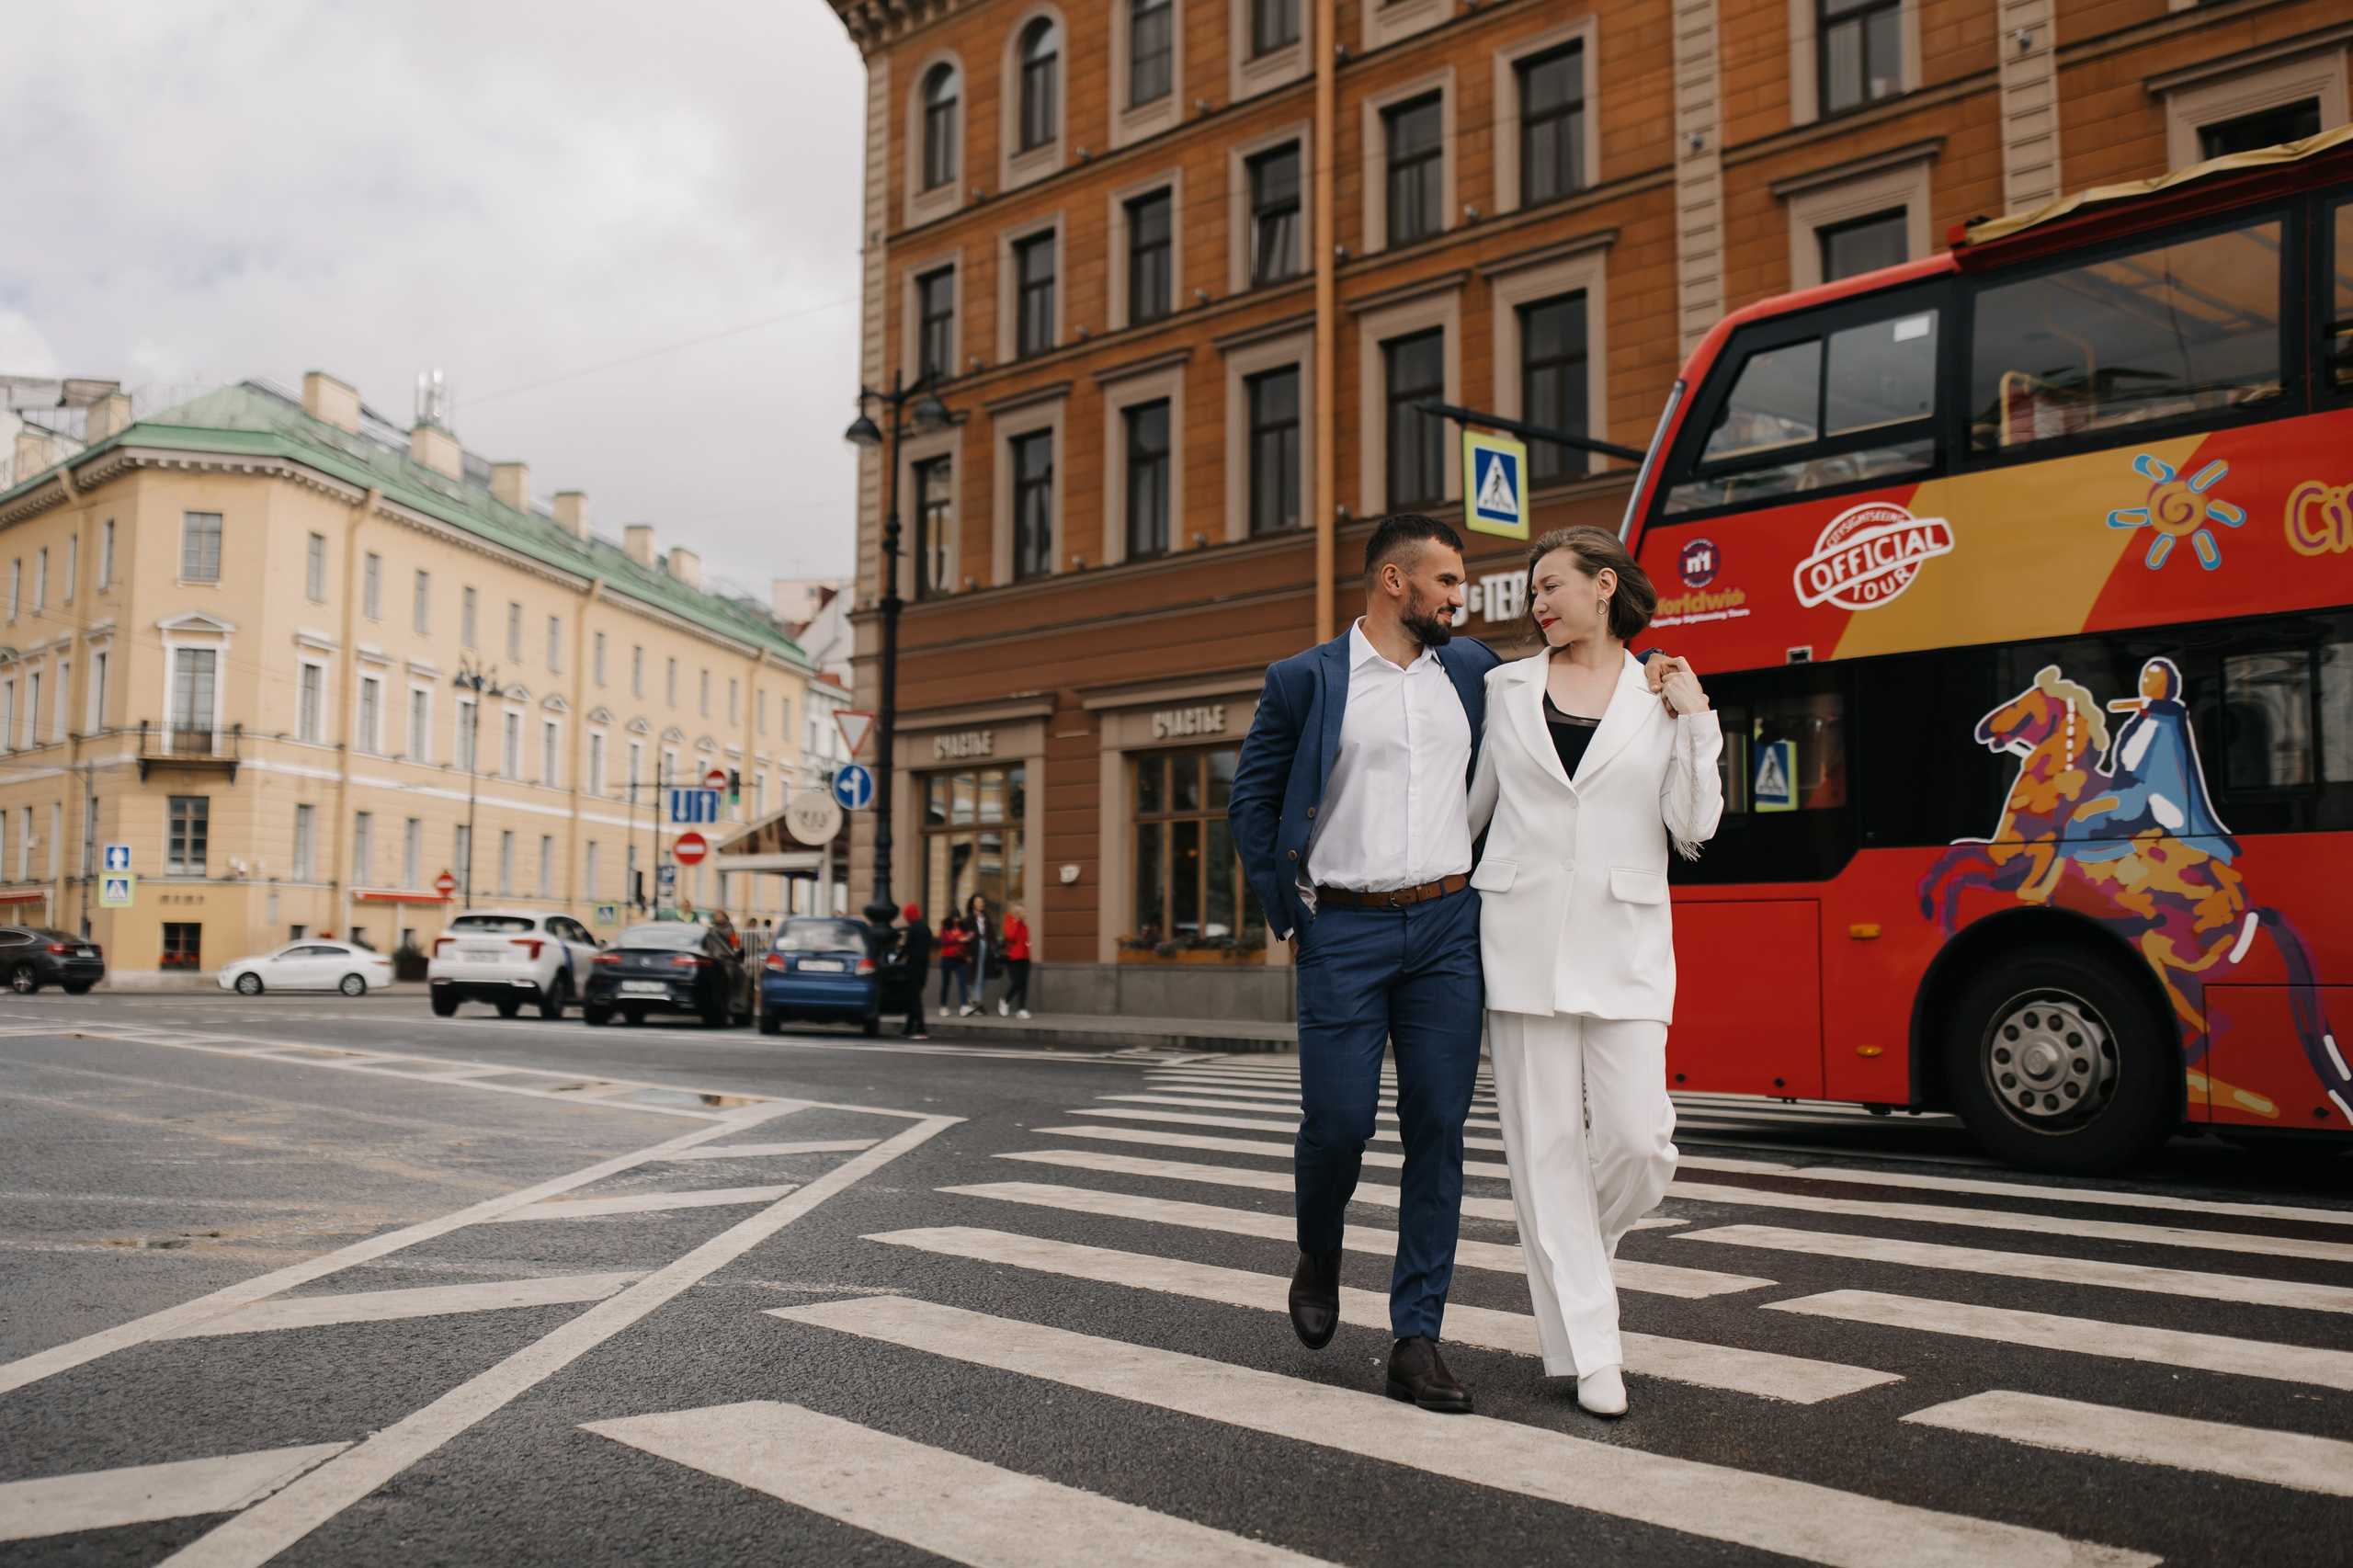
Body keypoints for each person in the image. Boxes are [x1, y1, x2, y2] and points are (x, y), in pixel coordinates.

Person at [1229, 514, 1502, 1414]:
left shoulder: (1473, 671)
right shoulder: (1305, 679)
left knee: (1438, 1129)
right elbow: (1253, 802)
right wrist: (1291, 914)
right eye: (1449, 580)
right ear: (1395, 581)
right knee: (1338, 1124)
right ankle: (1319, 1245)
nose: (1461, 596)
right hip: (1341, 930)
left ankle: (1416, 1335)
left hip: (1445, 928)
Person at [1467, 526, 1722, 1419]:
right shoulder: (1505, 688)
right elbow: (1471, 816)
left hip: (1625, 939)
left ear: (1603, 586)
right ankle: (1593, 1347)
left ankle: (1575, 1240)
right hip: (1519, 937)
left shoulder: (1660, 697)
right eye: (1532, 590)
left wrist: (1697, 719)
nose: (1538, 602)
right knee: (1543, 1155)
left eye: (1552, 585)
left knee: (1639, 1140)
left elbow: (1694, 827)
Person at [893, 903, 932, 1040]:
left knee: (915, 999)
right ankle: (909, 1028)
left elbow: (908, 949)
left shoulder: (913, 929)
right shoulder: (926, 928)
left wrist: (897, 958)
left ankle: (921, 1028)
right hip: (924, 968)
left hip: (913, 967)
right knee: (913, 998)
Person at [961, 893, 994, 1016]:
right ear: (973, 904)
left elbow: (991, 934)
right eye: (978, 902)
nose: (980, 904)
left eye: (982, 902)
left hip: (986, 947)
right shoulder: (969, 919)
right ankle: (978, 1003)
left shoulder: (986, 918)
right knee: (977, 975)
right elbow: (966, 937)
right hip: (975, 949)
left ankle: (975, 999)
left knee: (988, 976)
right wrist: (968, 954)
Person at [998, 904, 1032, 1017]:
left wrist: (1028, 955)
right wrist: (1016, 922)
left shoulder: (1024, 926)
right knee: (1017, 983)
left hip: (1025, 958)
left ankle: (1021, 1009)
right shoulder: (1009, 922)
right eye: (1023, 912)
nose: (1025, 914)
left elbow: (1026, 941)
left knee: (1023, 984)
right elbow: (1010, 936)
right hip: (1013, 958)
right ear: (1017, 913)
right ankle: (1005, 1000)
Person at [936, 912, 972, 1016]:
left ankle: (964, 1006)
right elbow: (944, 941)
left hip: (960, 958)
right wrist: (959, 940)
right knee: (946, 983)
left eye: (958, 917)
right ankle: (943, 1006)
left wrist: (967, 939)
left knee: (962, 982)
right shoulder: (945, 927)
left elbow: (965, 943)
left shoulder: (962, 928)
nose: (957, 920)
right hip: (947, 957)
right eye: (955, 917)